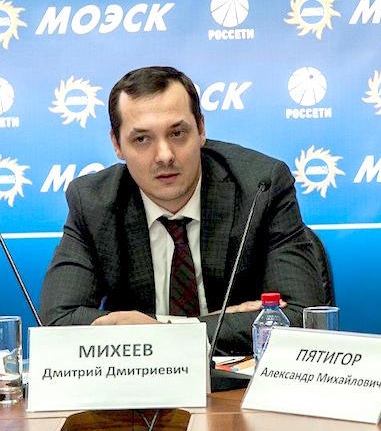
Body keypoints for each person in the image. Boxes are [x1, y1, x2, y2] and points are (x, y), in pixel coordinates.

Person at [39, 66, 328, 354]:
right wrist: (203, 325)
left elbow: (301, 316)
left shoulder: (260, 188)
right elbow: (58, 323)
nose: (164, 156)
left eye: (177, 133)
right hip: (144, 381)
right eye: (142, 139)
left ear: (201, 130)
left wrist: (160, 330)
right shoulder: (93, 203)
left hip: (237, 381)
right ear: (117, 144)